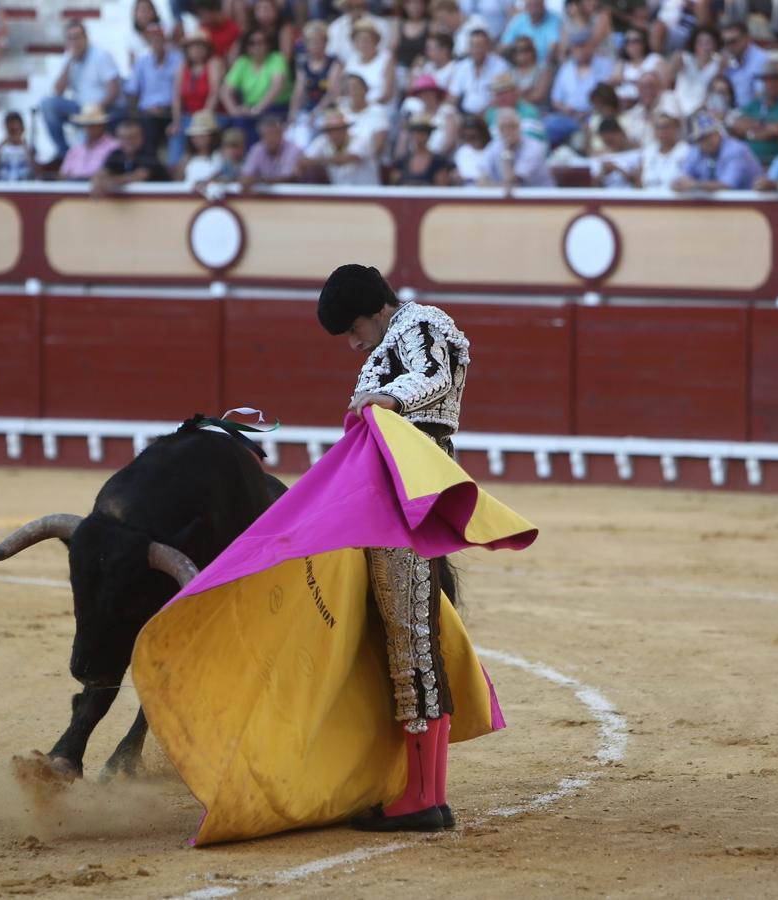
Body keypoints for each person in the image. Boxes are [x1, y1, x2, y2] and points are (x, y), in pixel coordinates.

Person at [315, 263, 472, 833]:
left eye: (354, 328)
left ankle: (422, 799)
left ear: (378, 308)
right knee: (409, 642)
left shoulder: (421, 323)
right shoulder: (386, 345)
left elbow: (433, 373)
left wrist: (384, 397)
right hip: (388, 499)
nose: (353, 342)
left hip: (409, 497)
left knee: (412, 644)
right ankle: (424, 792)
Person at [42, 20, 122, 162]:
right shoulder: (68, 58)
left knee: (86, 144)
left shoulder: (101, 55)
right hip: (80, 109)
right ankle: (63, 152)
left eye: (78, 37)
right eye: (71, 38)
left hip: (102, 110)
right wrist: (69, 62)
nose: (75, 42)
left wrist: (95, 110)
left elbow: (114, 89)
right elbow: (57, 91)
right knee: (47, 104)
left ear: (86, 38)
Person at [547, 28, 614, 147]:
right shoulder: (566, 68)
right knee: (548, 124)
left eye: (583, 46)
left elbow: (608, 97)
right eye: (576, 46)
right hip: (569, 117)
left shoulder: (605, 65)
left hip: (594, 116)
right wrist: (565, 109)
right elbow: (555, 99)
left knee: (587, 133)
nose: (579, 50)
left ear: (591, 45)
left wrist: (589, 112)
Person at [221, 29, 290, 144]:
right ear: (247, 46)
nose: (257, 46)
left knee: (264, 127)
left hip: (275, 108)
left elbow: (277, 86)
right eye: (252, 43)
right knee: (237, 126)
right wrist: (234, 111)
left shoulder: (277, 59)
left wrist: (257, 109)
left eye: (261, 42)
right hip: (250, 109)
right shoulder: (242, 62)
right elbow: (225, 91)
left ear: (268, 45)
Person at [169, 28, 224, 169]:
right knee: (177, 131)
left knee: (202, 130)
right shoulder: (182, 67)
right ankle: (174, 170)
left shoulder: (214, 64)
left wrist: (203, 118)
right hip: (188, 116)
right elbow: (176, 97)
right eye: (192, 47)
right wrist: (176, 121)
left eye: (200, 46)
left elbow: (214, 93)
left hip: (212, 114)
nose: (196, 50)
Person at [125, 22, 183, 154]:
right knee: (145, 127)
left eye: (159, 37)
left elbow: (179, 90)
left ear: (165, 39)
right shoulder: (141, 62)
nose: (156, 41)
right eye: (152, 38)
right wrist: (134, 115)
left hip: (170, 111)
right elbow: (132, 90)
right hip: (147, 112)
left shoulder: (178, 59)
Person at [731, 59, 778, 164]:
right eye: (768, 80)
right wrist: (763, 126)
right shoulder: (757, 101)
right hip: (749, 161)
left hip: (777, 162)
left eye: (777, 80)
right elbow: (737, 124)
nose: (772, 84)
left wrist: (750, 130)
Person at [672, 111, 763, 190]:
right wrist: (680, 183)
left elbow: (727, 185)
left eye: (710, 135)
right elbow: (684, 176)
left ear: (718, 133)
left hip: (753, 204)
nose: (706, 141)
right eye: (701, 138)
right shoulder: (696, 150)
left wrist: (695, 185)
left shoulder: (735, 150)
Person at [288, 21, 344, 148]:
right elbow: (299, 91)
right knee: (291, 134)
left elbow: (332, 93)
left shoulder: (334, 63)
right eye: (312, 42)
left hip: (328, 110)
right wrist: (292, 113)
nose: (316, 45)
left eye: (319, 41)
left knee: (306, 134)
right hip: (309, 109)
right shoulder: (304, 65)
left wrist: (317, 112)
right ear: (307, 44)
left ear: (325, 43)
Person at [301, 110, 381, 184]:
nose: (335, 134)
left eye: (338, 129)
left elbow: (347, 159)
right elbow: (304, 161)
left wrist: (319, 161)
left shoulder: (361, 140)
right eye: (330, 130)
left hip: (368, 194)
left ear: (346, 129)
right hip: (339, 195)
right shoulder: (323, 141)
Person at [480, 107, 554, 187]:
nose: (508, 131)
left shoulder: (534, 147)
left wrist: (507, 152)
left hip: (540, 196)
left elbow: (512, 181)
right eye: (503, 127)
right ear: (499, 129)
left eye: (512, 126)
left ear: (519, 127)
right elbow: (482, 179)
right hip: (511, 195)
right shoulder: (494, 145)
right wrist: (492, 184)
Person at [93, 118, 168, 193]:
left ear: (141, 137)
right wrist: (98, 179)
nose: (127, 142)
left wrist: (111, 181)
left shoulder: (148, 153)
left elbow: (139, 176)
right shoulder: (116, 153)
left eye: (131, 137)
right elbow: (103, 171)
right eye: (123, 138)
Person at [448, 28, 510, 116]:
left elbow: (503, 97)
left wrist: (483, 115)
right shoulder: (462, 66)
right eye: (473, 45)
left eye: (480, 45)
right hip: (464, 115)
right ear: (468, 48)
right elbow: (453, 96)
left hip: (491, 113)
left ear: (488, 46)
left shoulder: (501, 66)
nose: (476, 49)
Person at [618, 71, 683, 148]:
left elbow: (672, 124)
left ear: (660, 87)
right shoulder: (634, 112)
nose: (647, 90)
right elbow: (629, 139)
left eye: (651, 86)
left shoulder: (669, 98)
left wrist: (651, 117)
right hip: (642, 154)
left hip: (670, 151)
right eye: (643, 87)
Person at [58, 104, 121, 180]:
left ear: (102, 125)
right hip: (74, 186)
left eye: (94, 124)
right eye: (87, 124)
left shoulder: (114, 147)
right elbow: (63, 175)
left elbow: (111, 175)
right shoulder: (75, 149)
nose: (90, 128)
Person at [671, 25, 722, 115]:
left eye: (708, 42)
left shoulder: (718, 63)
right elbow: (673, 70)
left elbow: (715, 89)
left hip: (701, 109)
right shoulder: (685, 58)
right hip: (676, 107)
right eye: (700, 42)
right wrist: (677, 56)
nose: (704, 46)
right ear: (694, 44)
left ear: (715, 44)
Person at [390, 114, 455, 184]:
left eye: (423, 133)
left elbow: (442, 186)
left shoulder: (438, 161)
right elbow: (394, 183)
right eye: (416, 132)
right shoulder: (402, 161)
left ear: (429, 135)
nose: (419, 136)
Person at [343, 19, 395, 106]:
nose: (363, 44)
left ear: (376, 41)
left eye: (367, 40)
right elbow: (344, 90)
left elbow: (388, 94)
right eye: (359, 40)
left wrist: (367, 107)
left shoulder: (386, 58)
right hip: (354, 108)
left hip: (379, 107)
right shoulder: (351, 60)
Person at [241, 113, 302, 184]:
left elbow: (289, 178)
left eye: (273, 134)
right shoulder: (257, 149)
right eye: (266, 135)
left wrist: (258, 180)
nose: (270, 138)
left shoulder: (293, 149)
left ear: (281, 133)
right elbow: (246, 175)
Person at [611, 26, 667, 103]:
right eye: (627, 41)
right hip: (623, 102)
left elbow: (664, 86)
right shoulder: (622, 64)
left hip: (648, 102)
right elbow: (613, 83)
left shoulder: (655, 59)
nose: (631, 45)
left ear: (643, 43)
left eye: (635, 41)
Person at [501, 0, 563, 65]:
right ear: (525, 7)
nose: (534, 9)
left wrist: (544, 67)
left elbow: (553, 48)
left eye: (536, 5)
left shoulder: (554, 20)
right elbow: (504, 45)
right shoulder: (518, 19)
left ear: (543, 5)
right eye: (530, 5)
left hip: (542, 65)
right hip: (518, 65)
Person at [720, 20, 767, 105]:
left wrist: (745, 114)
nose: (729, 46)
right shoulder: (725, 58)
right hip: (729, 111)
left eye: (733, 41)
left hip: (751, 112)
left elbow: (760, 95)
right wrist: (720, 70)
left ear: (747, 39)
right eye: (725, 42)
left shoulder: (760, 59)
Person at [640, 112, 690, 189]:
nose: (661, 131)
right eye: (658, 127)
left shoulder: (686, 151)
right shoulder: (648, 152)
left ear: (675, 129)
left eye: (665, 127)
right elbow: (639, 182)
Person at [588, 118, 642, 187]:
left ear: (621, 133)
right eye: (606, 141)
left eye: (612, 140)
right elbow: (595, 186)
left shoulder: (637, 153)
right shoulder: (597, 157)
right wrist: (603, 173)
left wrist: (617, 169)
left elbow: (639, 184)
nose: (610, 144)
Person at [0, 111, 35, 181]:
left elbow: (38, 173)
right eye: (11, 131)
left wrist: (27, 150)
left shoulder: (29, 148)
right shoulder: (1, 148)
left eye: (16, 130)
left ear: (22, 129)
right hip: (3, 188)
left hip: (24, 188)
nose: (13, 134)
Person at [177, 110, 225, 184]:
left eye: (202, 135)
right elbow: (178, 183)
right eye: (195, 136)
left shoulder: (222, 156)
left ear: (213, 136)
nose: (197, 139)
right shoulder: (186, 158)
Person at [452, 114, 491, 183]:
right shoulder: (463, 151)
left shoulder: (492, 150)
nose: (470, 141)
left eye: (474, 137)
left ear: (483, 134)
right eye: (466, 137)